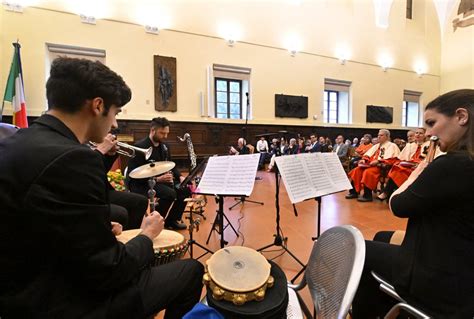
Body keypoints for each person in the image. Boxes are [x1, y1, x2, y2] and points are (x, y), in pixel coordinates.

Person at [0, 57, 204, 318]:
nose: (116, 124)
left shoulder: (18, 140)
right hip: (61, 301)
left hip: (21, 285)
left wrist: (95, 229)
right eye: (116, 112)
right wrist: (146, 236)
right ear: (97, 106)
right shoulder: (74, 159)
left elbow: (41, 221)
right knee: (190, 271)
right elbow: (109, 269)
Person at [352, 89, 474, 318]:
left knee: (358, 249)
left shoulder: (453, 164)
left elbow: (398, 205)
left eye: (431, 123)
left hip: (444, 280)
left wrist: (421, 169)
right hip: (461, 258)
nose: (427, 133)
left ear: (461, 117)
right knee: (380, 236)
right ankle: (386, 309)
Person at [127, 117, 189, 230]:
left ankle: (172, 220)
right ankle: (156, 221)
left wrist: (180, 176)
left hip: (159, 181)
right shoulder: (139, 147)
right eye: (162, 133)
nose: (165, 136)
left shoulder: (164, 146)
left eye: (167, 133)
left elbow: (170, 164)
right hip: (141, 184)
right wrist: (158, 179)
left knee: (185, 189)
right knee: (169, 194)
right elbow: (133, 174)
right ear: (152, 130)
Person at [93, 133, 149, 230]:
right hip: (87, 195)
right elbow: (85, 170)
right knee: (121, 213)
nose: (115, 125)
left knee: (141, 201)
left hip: (102, 190)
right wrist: (100, 151)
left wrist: (110, 155)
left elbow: (100, 169)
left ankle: (130, 236)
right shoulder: (75, 144)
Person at [346, 129, 400, 202]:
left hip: (381, 167)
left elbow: (392, 160)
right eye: (378, 135)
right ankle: (354, 192)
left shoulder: (392, 146)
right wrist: (364, 160)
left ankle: (367, 195)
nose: (379, 137)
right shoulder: (376, 146)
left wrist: (378, 161)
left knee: (368, 172)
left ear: (387, 136)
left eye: (381, 135)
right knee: (356, 170)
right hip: (370, 165)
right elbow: (368, 155)